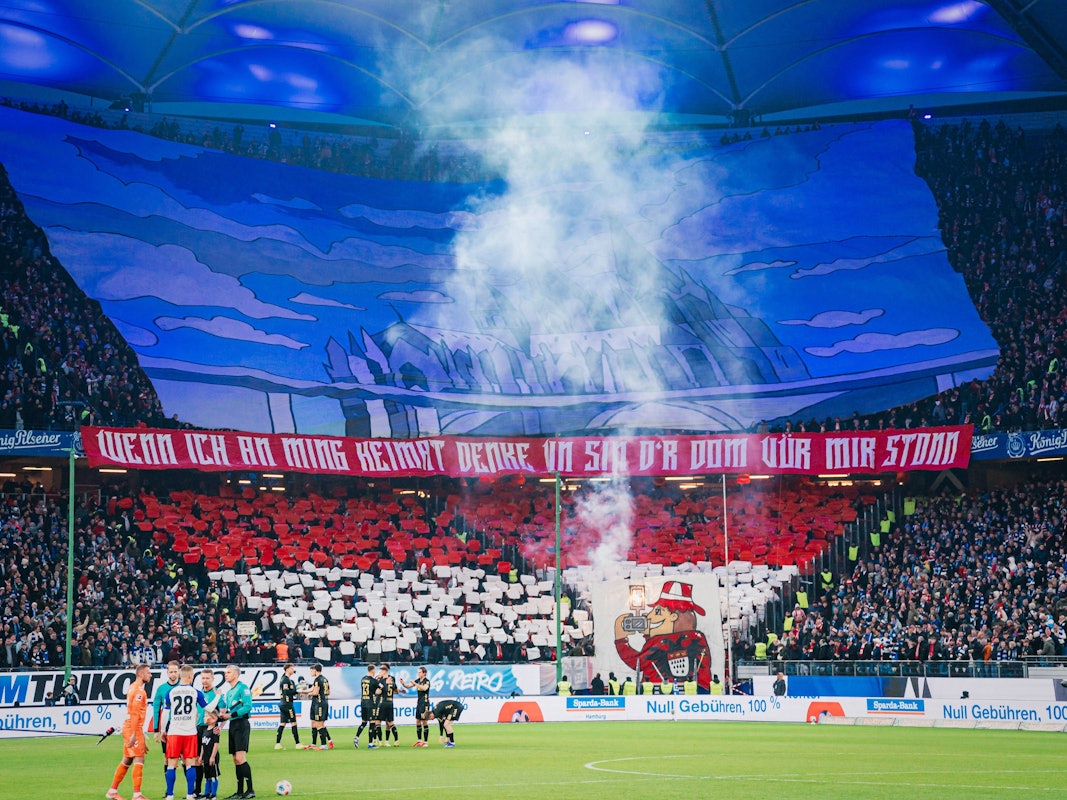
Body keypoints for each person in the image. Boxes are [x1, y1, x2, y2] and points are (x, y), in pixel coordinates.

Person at [160, 665, 212, 800]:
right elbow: (209, 708)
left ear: (180, 675)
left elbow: (165, 713)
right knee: (190, 763)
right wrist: (218, 697)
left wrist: (163, 730)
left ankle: (170, 795)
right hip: (190, 733)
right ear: (190, 676)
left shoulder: (171, 692)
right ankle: (190, 794)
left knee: (171, 764)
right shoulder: (196, 692)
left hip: (174, 732)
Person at [107, 662, 152, 800]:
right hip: (133, 727)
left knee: (127, 760)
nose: (150, 675)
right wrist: (134, 734)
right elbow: (135, 713)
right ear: (141, 674)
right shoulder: (139, 691)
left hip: (130, 727)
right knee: (140, 759)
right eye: (148, 672)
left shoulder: (132, 687)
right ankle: (137, 794)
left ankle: (112, 791)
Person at [219, 664, 255, 799]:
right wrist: (222, 720)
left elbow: (248, 707)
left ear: (236, 674)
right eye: (225, 672)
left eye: (228, 672)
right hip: (233, 725)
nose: (225, 674)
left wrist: (231, 715)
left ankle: (250, 790)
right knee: (235, 759)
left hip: (241, 724)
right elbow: (228, 712)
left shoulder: (243, 688)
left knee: (240, 757)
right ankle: (240, 791)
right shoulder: (229, 693)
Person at [151, 661, 181, 791]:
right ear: (167, 672)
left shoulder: (185, 687)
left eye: (175, 671)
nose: (173, 674)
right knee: (167, 758)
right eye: (171, 672)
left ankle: (192, 791)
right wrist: (156, 730)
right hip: (167, 728)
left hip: (183, 726)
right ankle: (169, 790)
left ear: (179, 671)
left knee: (187, 759)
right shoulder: (161, 689)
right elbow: (156, 709)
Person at [194, 669, 219, 797]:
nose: (204, 680)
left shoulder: (216, 694)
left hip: (210, 728)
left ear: (212, 679)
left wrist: (220, 726)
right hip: (199, 728)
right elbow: (197, 712)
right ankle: (198, 790)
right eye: (203, 678)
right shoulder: (198, 693)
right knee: (198, 759)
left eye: (207, 678)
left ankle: (211, 792)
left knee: (210, 759)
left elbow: (222, 711)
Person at [274, 663, 303, 750]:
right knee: (293, 723)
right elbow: (287, 692)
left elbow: (292, 691)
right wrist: (297, 691)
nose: (293, 670)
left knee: (283, 723)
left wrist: (295, 691)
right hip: (287, 704)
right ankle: (297, 743)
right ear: (287, 669)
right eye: (291, 668)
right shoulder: (285, 680)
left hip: (283, 704)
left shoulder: (288, 680)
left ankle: (277, 744)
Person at [401, 666, 432, 748]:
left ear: (424, 673)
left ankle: (425, 742)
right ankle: (419, 740)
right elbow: (408, 686)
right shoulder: (417, 681)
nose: (418, 673)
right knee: (418, 721)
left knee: (424, 721)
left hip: (425, 703)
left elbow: (424, 688)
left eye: (420, 672)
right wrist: (403, 683)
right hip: (419, 703)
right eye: (418, 672)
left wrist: (415, 684)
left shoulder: (427, 681)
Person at [305, 663, 332, 750]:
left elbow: (315, 692)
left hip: (319, 703)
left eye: (311, 670)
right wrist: (302, 691)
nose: (311, 672)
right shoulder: (324, 679)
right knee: (313, 723)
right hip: (317, 703)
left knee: (319, 724)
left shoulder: (317, 680)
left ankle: (324, 744)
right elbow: (328, 692)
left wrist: (309, 694)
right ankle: (313, 744)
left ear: (315, 670)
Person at [354, 664, 379, 749]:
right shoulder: (374, 681)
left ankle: (356, 737)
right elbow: (380, 689)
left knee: (364, 722)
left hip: (363, 702)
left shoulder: (363, 679)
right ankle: (370, 743)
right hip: (370, 703)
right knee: (372, 722)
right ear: (372, 670)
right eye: (375, 670)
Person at [199, 708, 222, 800]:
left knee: (213, 775)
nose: (204, 717)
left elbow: (216, 745)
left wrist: (212, 757)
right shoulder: (205, 731)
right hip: (206, 756)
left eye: (206, 716)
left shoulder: (215, 731)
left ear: (213, 718)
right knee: (207, 776)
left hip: (212, 757)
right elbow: (203, 745)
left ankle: (213, 794)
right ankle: (206, 793)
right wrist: (201, 756)